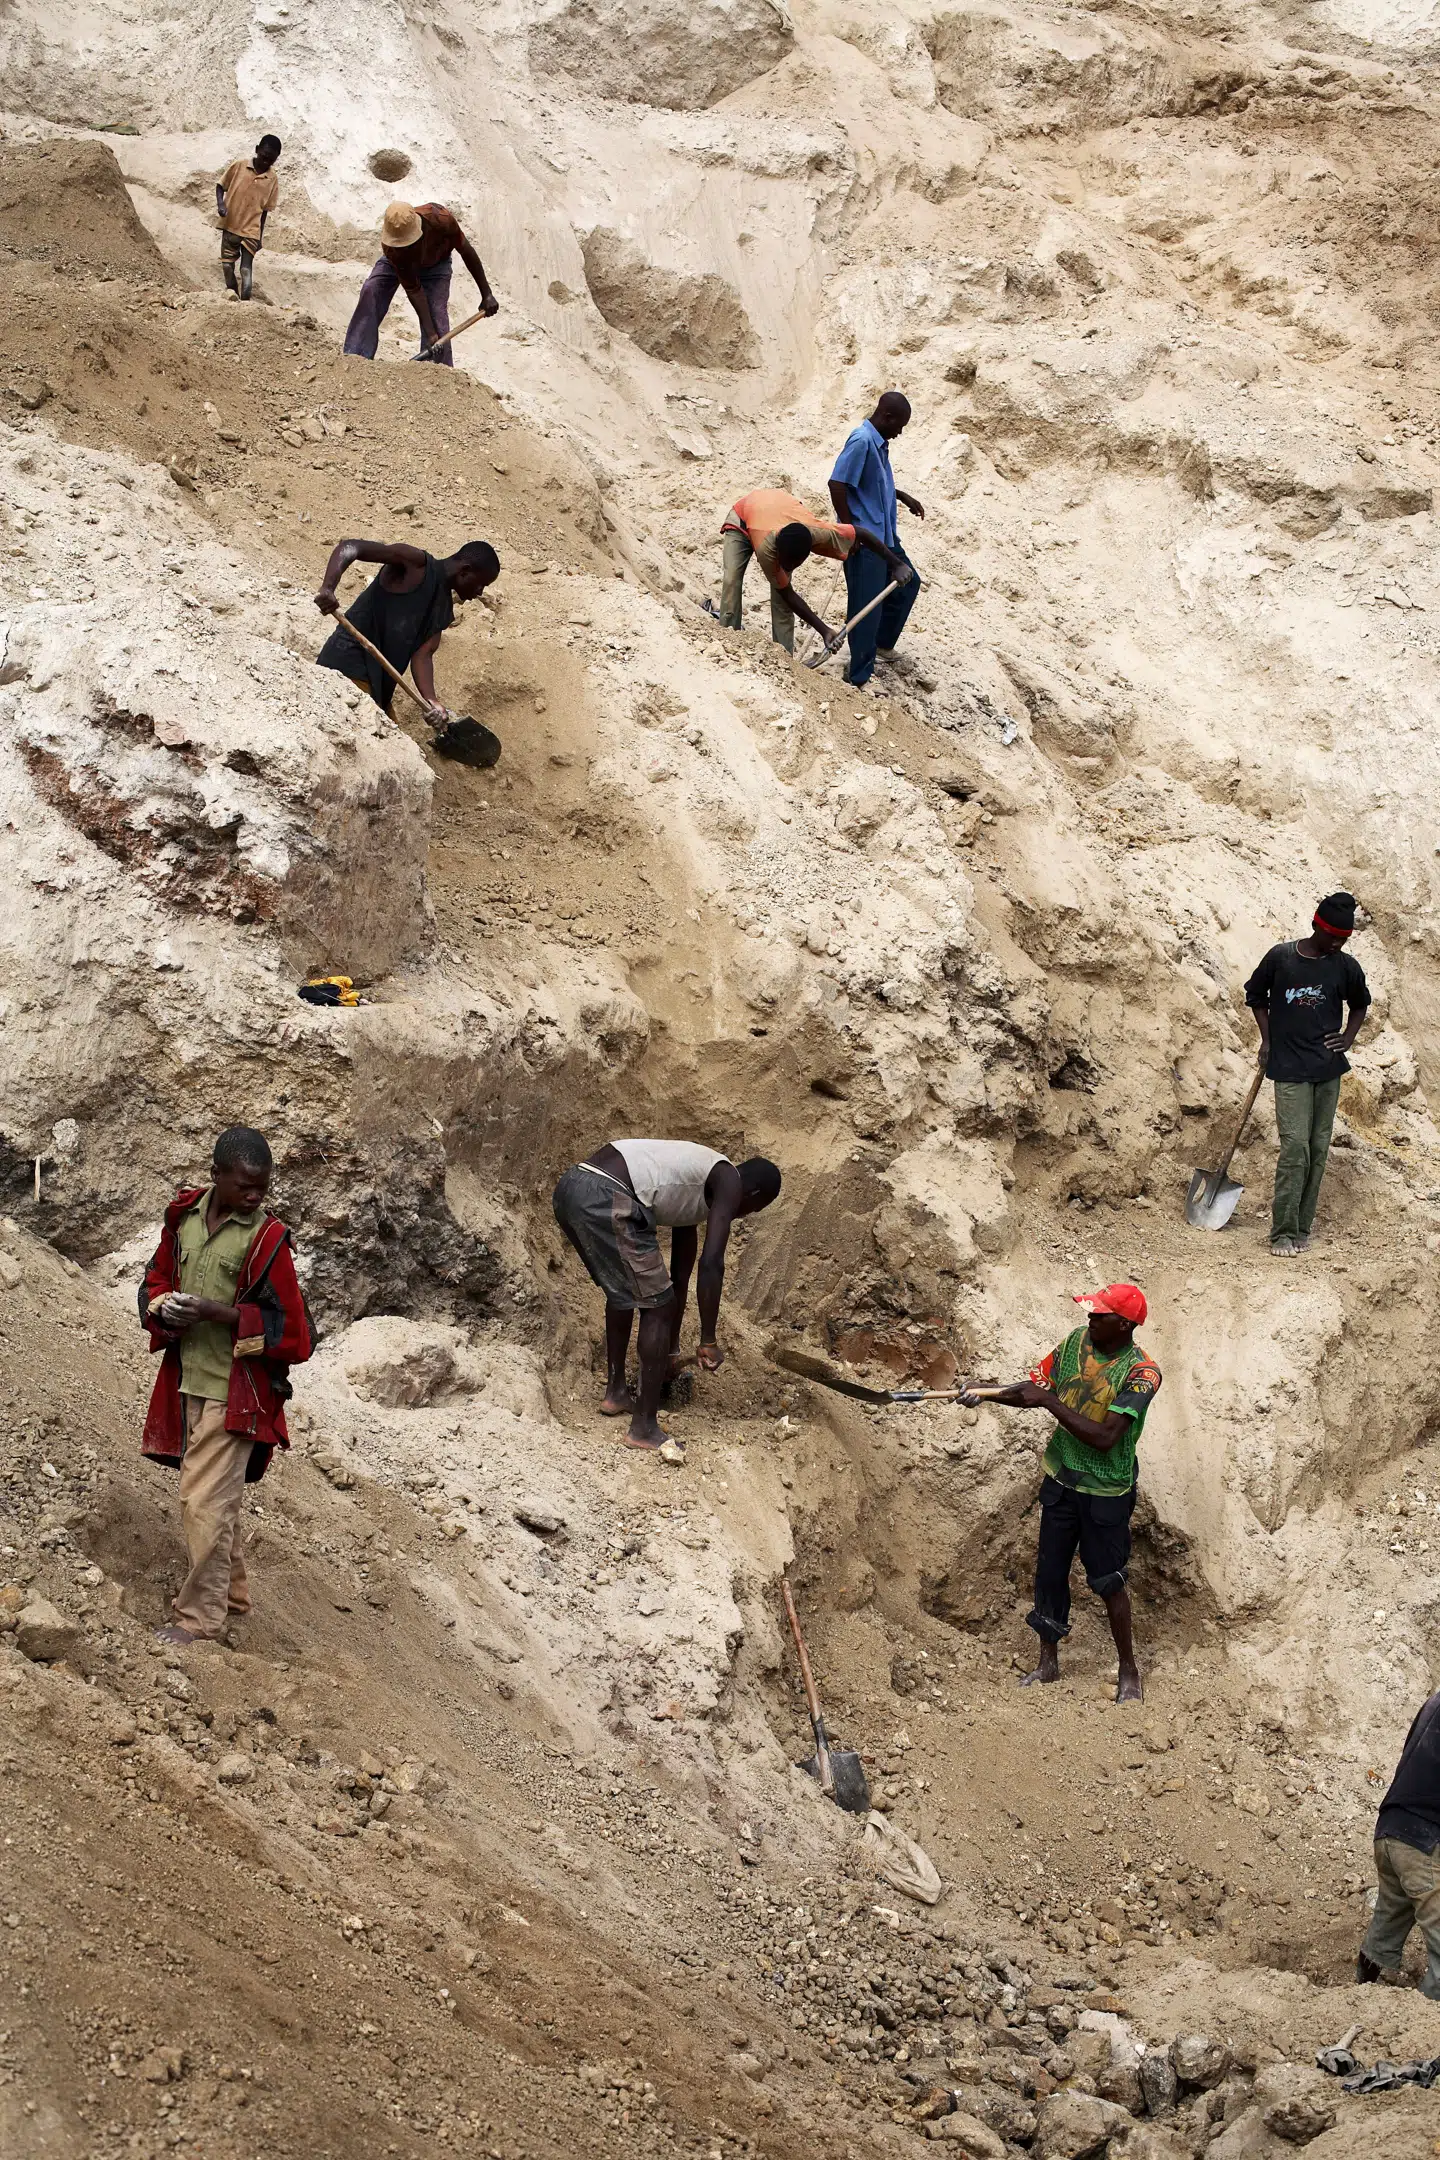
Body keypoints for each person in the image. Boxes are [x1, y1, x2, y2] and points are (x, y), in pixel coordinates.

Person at [138, 1127, 314, 1647]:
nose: (255, 1196)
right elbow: (156, 1277)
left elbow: (296, 1332)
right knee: (215, 1499)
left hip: (234, 1392)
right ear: (217, 1177)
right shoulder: (184, 1218)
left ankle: (199, 1619)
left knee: (204, 1504)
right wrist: (163, 1306)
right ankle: (231, 1595)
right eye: (245, 1187)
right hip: (187, 1378)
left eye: (262, 1187)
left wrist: (221, 1314)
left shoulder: (266, 1238)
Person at [967, 1284, 1161, 1704]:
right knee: (1050, 1573)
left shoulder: (1142, 1374)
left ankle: (1129, 1668)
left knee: (1108, 1580)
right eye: (1090, 1312)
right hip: (1061, 1479)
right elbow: (1032, 1388)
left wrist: (1049, 1402)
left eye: (1100, 1315)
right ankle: (1047, 1662)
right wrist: (985, 1392)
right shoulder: (1076, 1341)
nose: (1090, 1319)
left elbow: (1106, 1436)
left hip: (1106, 1491)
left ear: (1125, 1324)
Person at [552, 1140, 782, 1462]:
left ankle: (617, 1392)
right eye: (753, 1210)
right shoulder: (729, 1179)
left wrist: (671, 1349)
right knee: (657, 1305)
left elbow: (681, 1276)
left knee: (626, 1293)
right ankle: (643, 1428)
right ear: (754, 1194)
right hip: (606, 1193)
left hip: (573, 1188)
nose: (742, 1215)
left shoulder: (696, 1188)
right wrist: (708, 1340)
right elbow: (711, 1263)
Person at [1244, 891, 1370, 1259]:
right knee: (1295, 1147)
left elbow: (1360, 1004)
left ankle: (1302, 1228)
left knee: (1317, 1149)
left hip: (1328, 1070)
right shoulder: (1282, 958)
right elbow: (1255, 996)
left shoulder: (1345, 967)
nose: (1336, 944)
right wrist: (1267, 1040)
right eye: (1332, 937)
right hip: (1289, 1068)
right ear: (1316, 925)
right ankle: (1281, 1232)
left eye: (1343, 940)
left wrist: (1346, 1038)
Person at [313, 535, 499, 730]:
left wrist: (431, 701)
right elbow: (351, 547)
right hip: (346, 666)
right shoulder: (415, 564)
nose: (479, 592)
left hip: (378, 688)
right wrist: (328, 587)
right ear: (465, 571)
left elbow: (423, 656)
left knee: (393, 741)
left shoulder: (443, 611)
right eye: (481, 584)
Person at [709, 488, 911, 656]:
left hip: (779, 509)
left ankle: (783, 656)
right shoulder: (767, 548)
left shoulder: (816, 532)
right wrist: (824, 630)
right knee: (732, 579)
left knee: (781, 604)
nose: (789, 567)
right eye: (786, 563)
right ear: (778, 552)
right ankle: (728, 639)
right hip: (743, 518)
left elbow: (862, 533)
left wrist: (896, 564)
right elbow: (787, 594)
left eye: (795, 564)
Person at [828, 392, 924, 689]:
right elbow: (837, 483)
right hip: (865, 540)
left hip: (885, 537)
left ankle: (881, 645)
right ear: (887, 417)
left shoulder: (879, 445)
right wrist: (849, 529)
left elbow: (874, 484)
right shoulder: (861, 441)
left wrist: (901, 495)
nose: (900, 432)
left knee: (909, 584)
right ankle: (858, 676)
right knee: (866, 606)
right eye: (900, 426)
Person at [343, 201, 499, 365]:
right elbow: (414, 289)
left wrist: (487, 294)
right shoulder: (394, 250)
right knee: (371, 290)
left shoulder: (441, 220)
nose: (403, 249)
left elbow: (466, 251)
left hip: (436, 264)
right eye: (399, 246)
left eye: (407, 245)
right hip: (399, 265)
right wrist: (430, 332)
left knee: (436, 318)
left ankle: (438, 374)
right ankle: (355, 360)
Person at [1358, 1690, 1440, 1998]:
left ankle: (1357, 1997)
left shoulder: (1434, 1701)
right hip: (1424, 1841)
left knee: (1387, 1925)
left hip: (1390, 1829)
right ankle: (1423, 2023)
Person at [215, 135, 281, 302]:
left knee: (246, 269)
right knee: (227, 265)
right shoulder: (239, 166)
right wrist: (221, 205)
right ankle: (232, 296)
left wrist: (259, 236)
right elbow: (220, 186)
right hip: (231, 224)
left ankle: (245, 304)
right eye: (264, 156)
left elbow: (265, 210)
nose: (266, 162)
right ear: (257, 149)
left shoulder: (272, 179)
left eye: (271, 160)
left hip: (252, 229)